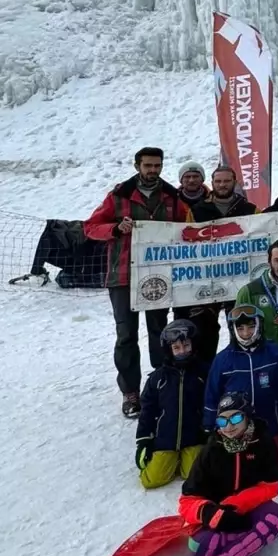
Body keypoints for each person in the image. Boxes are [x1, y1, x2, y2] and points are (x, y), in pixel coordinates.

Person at [84, 146, 189, 417]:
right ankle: (130, 392)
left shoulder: (172, 197)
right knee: (126, 334)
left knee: (159, 330)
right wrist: (115, 229)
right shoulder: (118, 196)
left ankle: (161, 382)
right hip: (122, 275)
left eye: (157, 165)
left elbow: (187, 227)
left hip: (158, 275)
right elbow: (90, 227)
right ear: (137, 166)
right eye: (148, 166)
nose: (153, 171)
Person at [173, 392, 278, 556]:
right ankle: (268, 531)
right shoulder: (210, 451)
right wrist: (212, 514)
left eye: (235, 418)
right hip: (216, 516)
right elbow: (187, 500)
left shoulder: (263, 442)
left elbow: (270, 486)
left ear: (247, 417)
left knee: (273, 518)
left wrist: (236, 505)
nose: (228, 426)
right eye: (223, 420)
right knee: (201, 549)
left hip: (251, 507)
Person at [180, 165, 260, 362]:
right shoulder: (197, 210)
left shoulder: (249, 209)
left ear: (234, 182)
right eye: (218, 181)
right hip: (208, 278)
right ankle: (207, 375)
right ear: (212, 183)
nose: (222, 185)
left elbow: (265, 233)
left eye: (226, 181)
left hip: (239, 276)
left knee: (241, 324)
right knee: (206, 329)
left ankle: (242, 364)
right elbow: (184, 243)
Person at [136, 320, 207, 489]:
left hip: (193, 438)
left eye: (186, 345)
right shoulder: (158, 378)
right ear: (169, 350)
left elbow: (210, 404)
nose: (182, 351)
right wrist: (144, 439)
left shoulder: (203, 373)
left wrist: (208, 433)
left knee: (194, 477)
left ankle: (184, 459)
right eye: (176, 348)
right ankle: (171, 459)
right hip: (165, 438)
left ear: (193, 345)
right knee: (151, 480)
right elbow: (147, 408)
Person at [204, 305, 278, 438]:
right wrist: (210, 425)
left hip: (269, 426)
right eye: (240, 328)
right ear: (233, 330)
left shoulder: (275, 353)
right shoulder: (222, 360)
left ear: (259, 326)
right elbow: (212, 395)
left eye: (251, 327)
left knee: (269, 459)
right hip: (234, 430)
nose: (246, 333)